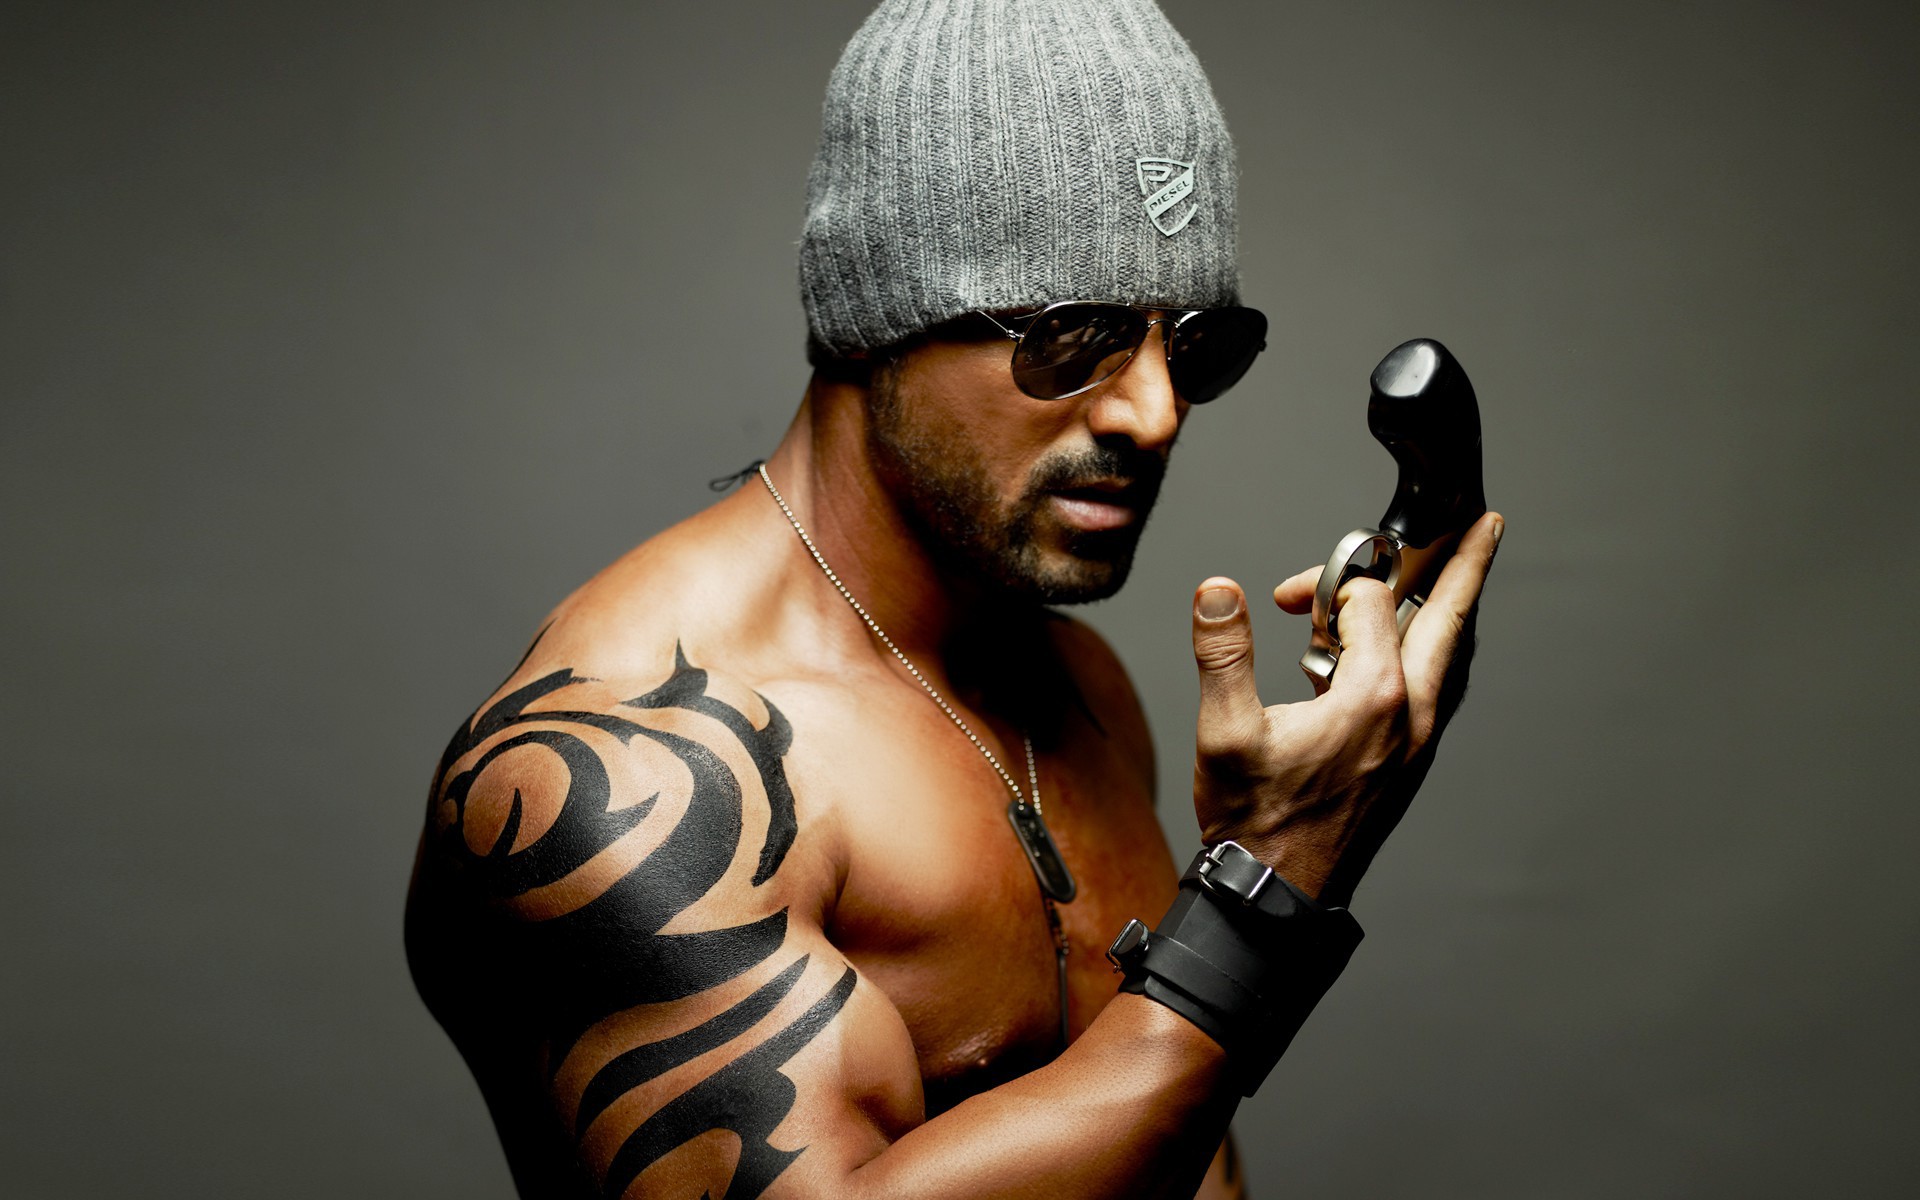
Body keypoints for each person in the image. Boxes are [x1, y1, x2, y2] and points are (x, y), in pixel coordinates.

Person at [403, 1, 1503, 1196]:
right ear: (875, 323)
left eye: (1193, 348)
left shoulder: (1076, 692)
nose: (1153, 415)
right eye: (1073, 336)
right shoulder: (637, 775)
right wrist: (1269, 885)